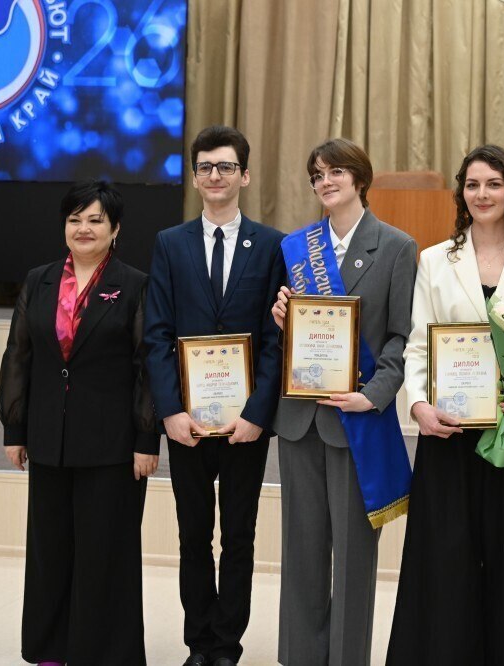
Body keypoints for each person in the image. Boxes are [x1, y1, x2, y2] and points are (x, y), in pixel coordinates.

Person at [386, 144, 504, 665]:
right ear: (461, 193)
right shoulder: (433, 261)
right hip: (449, 435)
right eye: (472, 184)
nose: (482, 193)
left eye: (492, 183)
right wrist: (419, 406)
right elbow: (418, 343)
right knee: (446, 562)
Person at [270, 138, 417, 666]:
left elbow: (403, 337)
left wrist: (373, 395)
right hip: (300, 419)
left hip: (357, 418)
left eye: (335, 172)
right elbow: (288, 341)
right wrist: (284, 320)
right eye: (316, 175)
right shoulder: (296, 247)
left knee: (354, 558)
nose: (324, 182)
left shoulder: (397, 246)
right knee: (302, 555)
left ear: (359, 178)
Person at [0, 180, 157, 666]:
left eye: (95, 220)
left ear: (115, 230)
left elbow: (146, 365)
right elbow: (18, 355)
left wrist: (146, 437)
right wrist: (15, 427)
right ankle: (50, 648)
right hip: (49, 438)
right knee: (50, 550)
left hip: (112, 443)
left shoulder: (134, 285)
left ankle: (102, 652)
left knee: (105, 552)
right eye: (75, 219)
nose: (83, 228)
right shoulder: (39, 279)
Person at [144, 125, 286, 666]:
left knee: (240, 538)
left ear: (244, 176)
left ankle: (227, 645)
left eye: (226, 166)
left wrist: (258, 413)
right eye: (205, 166)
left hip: (246, 424)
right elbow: (156, 333)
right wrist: (170, 411)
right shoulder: (170, 243)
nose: (215, 175)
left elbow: (276, 338)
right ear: (195, 176)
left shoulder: (272, 245)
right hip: (187, 422)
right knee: (192, 537)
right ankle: (198, 643)